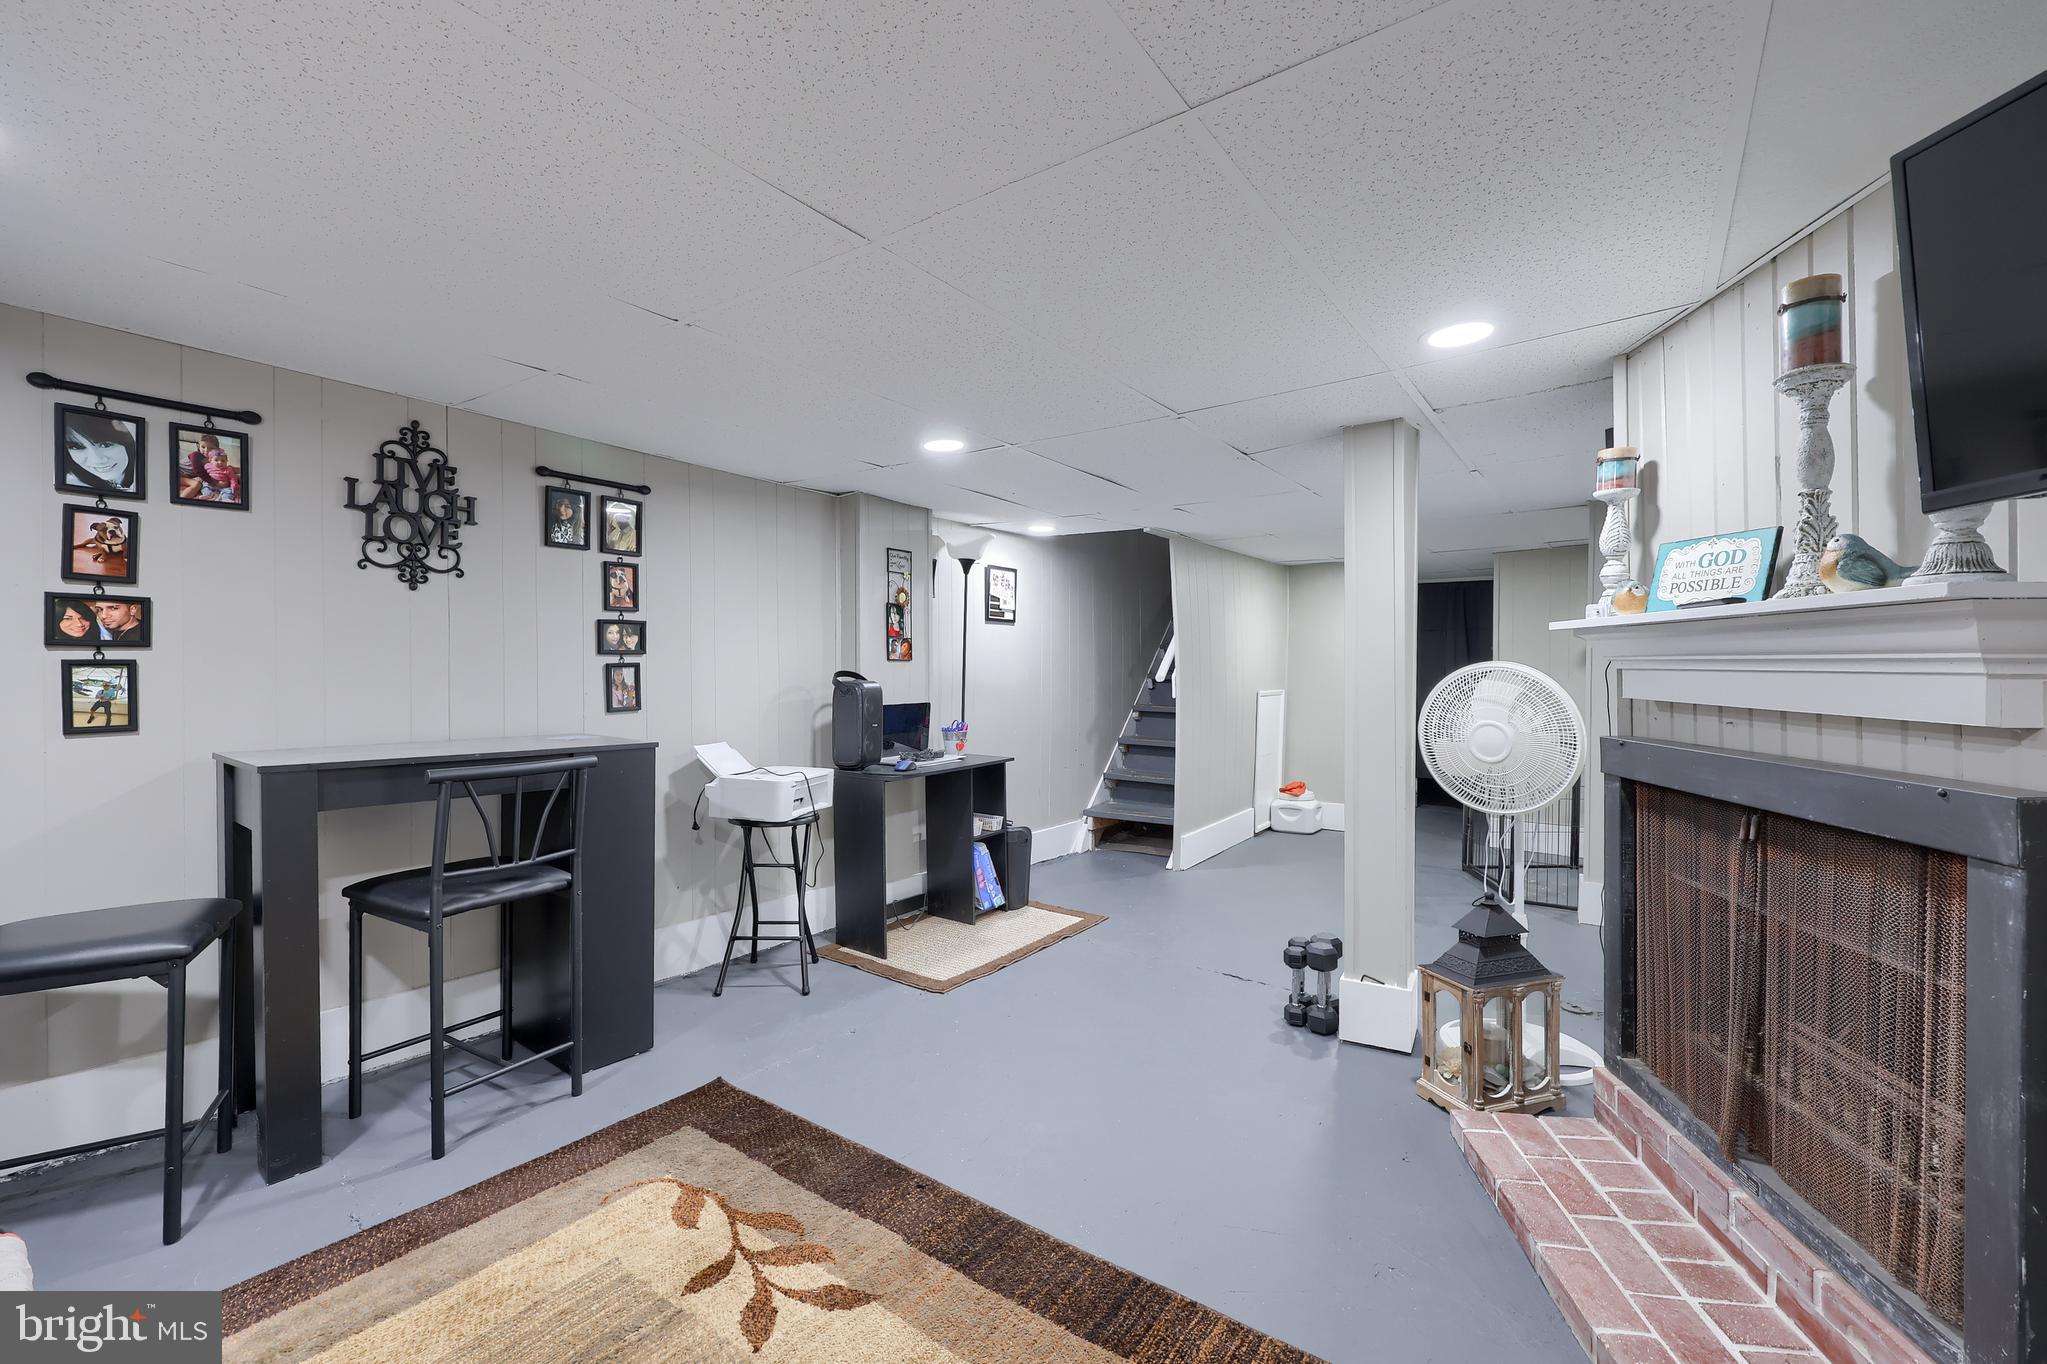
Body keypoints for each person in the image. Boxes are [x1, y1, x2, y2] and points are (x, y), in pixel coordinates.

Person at [62, 413, 138, 493]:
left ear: (128, 443)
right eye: (75, 447)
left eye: (106, 445)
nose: (96, 459)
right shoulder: (71, 484)